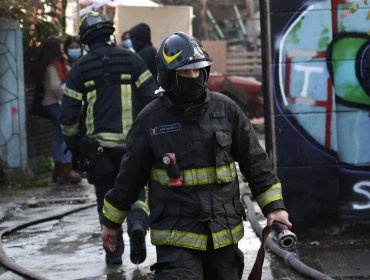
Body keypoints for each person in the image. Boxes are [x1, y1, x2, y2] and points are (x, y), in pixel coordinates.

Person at [101, 31, 292, 279]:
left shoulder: (226, 110)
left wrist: (275, 208)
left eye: (197, 70)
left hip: (223, 233)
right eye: (184, 72)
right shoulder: (151, 120)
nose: (193, 77)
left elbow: (255, 163)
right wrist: (111, 223)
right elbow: (129, 177)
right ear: (168, 76)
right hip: (176, 235)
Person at [60, 11, 158, 265]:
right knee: (137, 192)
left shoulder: (80, 68)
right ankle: (137, 226)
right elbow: (151, 100)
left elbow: (68, 115)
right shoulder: (133, 60)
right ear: (110, 33)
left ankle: (113, 253)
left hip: (98, 150)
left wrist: (75, 148)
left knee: (106, 197)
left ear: (85, 40)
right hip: (133, 146)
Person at [35, 37, 82, 185]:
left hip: (52, 104)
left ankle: (58, 170)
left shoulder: (51, 65)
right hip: (56, 104)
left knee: (57, 137)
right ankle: (65, 169)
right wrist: (69, 98)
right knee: (65, 136)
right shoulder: (53, 67)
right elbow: (56, 87)